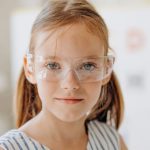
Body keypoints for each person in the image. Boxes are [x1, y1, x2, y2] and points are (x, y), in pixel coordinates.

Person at [0, 0, 128, 149]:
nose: (70, 84)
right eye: (52, 65)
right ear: (30, 68)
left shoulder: (112, 142)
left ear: (106, 69)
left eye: (87, 66)